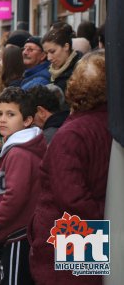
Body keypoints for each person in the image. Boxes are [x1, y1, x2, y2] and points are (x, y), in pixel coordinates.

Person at [28, 51, 111, 285]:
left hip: (72, 232)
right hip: (90, 231)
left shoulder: (72, 134)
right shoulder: (109, 126)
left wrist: (99, 220)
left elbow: (71, 197)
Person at [0, 87, 46, 285]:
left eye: (10, 114)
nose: (2, 120)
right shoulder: (21, 144)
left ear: (27, 120)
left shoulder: (19, 153)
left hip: (18, 232)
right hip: (24, 226)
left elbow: (15, 195)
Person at [41, 22, 81, 93]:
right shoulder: (51, 72)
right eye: (46, 53)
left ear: (66, 47)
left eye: (52, 51)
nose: (49, 58)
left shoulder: (80, 71)